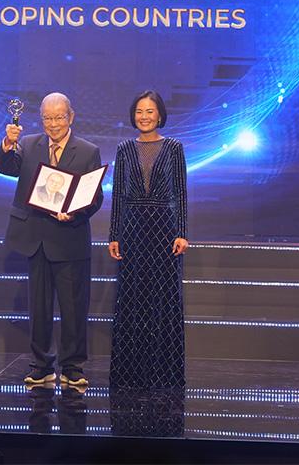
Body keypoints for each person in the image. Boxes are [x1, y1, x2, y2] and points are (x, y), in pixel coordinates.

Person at [0, 92, 103, 388]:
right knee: (39, 308)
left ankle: (72, 367)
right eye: (47, 117)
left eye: (58, 117)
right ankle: (41, 365)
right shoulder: (28, 144)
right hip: (35, 238)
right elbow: (7, 167)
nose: (53, 124)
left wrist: (76, 213)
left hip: (69, 238)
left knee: (72, 308)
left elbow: (95, 197)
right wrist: (8, 144)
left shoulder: (87, 151)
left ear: (71, 117)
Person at [107, 90, 188, 389]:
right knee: (132, 299)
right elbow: (117, 195)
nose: (144, 116)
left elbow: (180, 192)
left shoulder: (174, 148)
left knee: (163, 299)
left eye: (150, 111)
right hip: (132, 230)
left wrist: (183, 232)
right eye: (139, 110)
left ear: (160, 115)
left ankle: (164, 373)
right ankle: (131, 374)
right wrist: (114, 234)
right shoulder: (124, 149)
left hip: (165, 231)